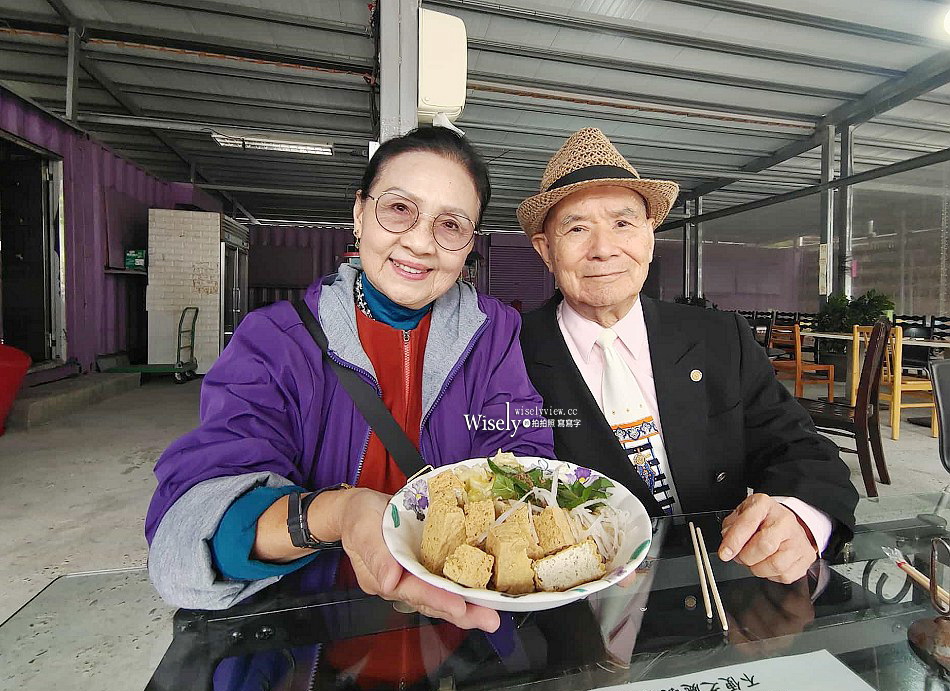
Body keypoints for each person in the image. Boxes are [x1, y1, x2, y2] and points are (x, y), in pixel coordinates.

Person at [146, 126, 554, 632]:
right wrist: (341, 514)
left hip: (461, 623)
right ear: (360, 213)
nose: (422, 243)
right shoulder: (276, 339)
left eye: (450, 224)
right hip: (314, 628)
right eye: (399, 209)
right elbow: (205, 520)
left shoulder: (495, 332)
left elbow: (521, 448)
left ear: (469, 243)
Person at [517, 128, 858, 585]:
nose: (603, 249)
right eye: (577, 228)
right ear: (545, 250)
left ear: (649, 237)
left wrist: (800, 519)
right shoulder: (510, 353)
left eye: (623, 223)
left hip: (721, 584)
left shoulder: (718, 337)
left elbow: (800, 446)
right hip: (579, 607)